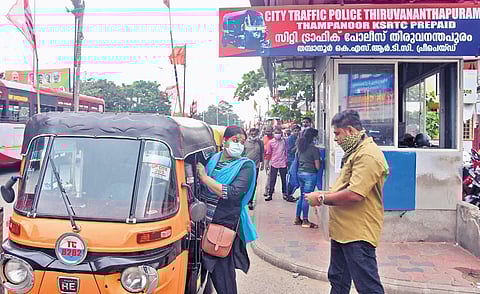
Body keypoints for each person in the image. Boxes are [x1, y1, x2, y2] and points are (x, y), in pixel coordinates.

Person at [306, 110, 388, 294]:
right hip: (343, 231)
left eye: (337, 133)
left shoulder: (367, 155)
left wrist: (321, 198)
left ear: (350, 130)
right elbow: (344, 187)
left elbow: (354, 194)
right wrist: (324, 194)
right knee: (338, 280)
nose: (336, 139)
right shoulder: (355, 152)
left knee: (367, 286)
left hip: (358, 233)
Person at [197, 126, 257, 294]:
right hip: (201, 224)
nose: (239, 145)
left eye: (242, 142)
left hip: (222, 226)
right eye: (235, 140)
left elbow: (232, 193)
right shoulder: (213, 159)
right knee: (198, 272)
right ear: (225, 141)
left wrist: (205, 178)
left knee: (222, 274)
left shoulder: (246, 166)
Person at [294, 128, 321, 228]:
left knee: (302, 196)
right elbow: (317, 167)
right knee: (306, 198)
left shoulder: (300, 148)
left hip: (300, 174)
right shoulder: (314, 150)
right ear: (313, 138)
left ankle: (297, 218)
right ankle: (305, 221)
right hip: (310, 175)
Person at [265, 127, 288, 201]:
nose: (277, 134)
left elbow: (286, 151)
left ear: (281, 133)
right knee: (272, 179)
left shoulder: (284, 141)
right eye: (276, 133)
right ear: (273, 134)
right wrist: (267, 163)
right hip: (274, 162)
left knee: (284, 179)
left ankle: (284, 193)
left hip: (283, 162)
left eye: (279, 133)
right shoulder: (270, 142)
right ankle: (270, 194)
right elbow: (268, 153)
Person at [244, 128, 264, 210]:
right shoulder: (245, 142)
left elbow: (262, 152)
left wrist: (262, 163)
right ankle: (245, 198)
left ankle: (250, 201)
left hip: (256, 166)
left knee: (254, 183)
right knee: (246, 183)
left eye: (255, 134)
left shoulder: (260, 142)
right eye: (252, 134)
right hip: (246, 166)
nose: (253, 135)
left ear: (257, 134)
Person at [263, 126, 274, 197]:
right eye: (266, 131)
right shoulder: (264, 138)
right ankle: (270, 187)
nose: (267, 133)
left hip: (273, 159)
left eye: (269, 131)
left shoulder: (274, 139)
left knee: (270, 175)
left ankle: (267, 190)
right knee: (268, 174)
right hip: (266, 158)